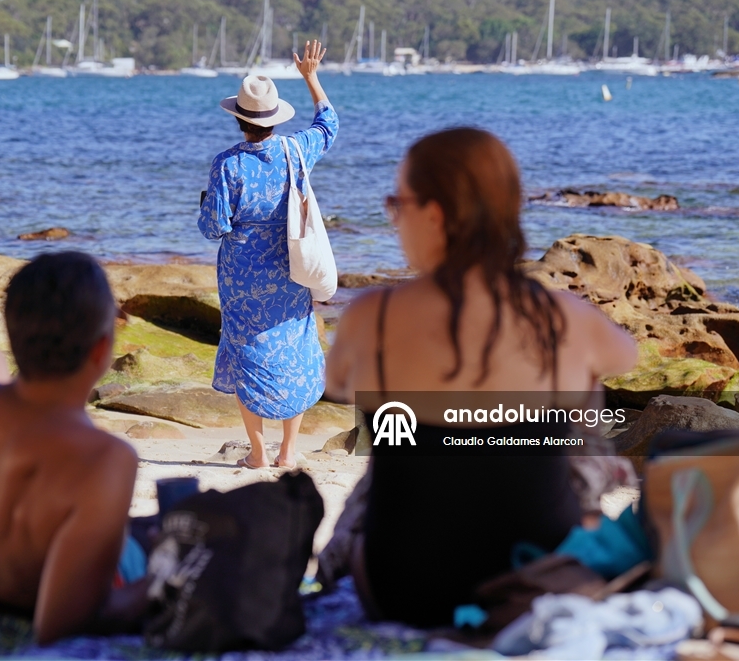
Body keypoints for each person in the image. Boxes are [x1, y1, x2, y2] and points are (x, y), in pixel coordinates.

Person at [324, 128, 638, 627]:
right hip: (538, 583)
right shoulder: (560, 315)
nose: (393, 218)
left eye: (395, 202)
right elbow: (626, 355)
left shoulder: (372, 317)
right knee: (581, 403)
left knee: (390, 443)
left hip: (404, 591)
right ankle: (584, 521)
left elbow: (338, 380)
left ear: (435, 214)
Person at [0, 251, 145, 645]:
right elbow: (61, 627)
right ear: (101, 350)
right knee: (138, 549)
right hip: (29, 600)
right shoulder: (106, 457)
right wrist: (160, 584)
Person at [199, 41, 338, 470]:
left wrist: (208, 207)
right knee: (294, 347)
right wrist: (310, 76)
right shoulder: (296, 151)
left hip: (241, 274)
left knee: (246, 352)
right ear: (274, 118)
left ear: (239, 119)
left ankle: (257, 454)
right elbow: (329, 123)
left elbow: (213, 227)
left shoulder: (227, 165)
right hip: (289, 265)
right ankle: (287, 452)